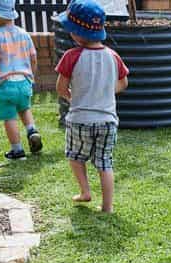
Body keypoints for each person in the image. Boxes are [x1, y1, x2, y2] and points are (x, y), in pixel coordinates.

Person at [54, 0, 129, 213]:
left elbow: (61, 87)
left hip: (80, 120)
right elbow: (123, 83)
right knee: (105, 163)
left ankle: (85, 191)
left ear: (76, 33)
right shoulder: (113, 56)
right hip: (107, 121)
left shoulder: (72, 56)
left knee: (75, 156)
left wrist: (72, 98)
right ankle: (107, 207)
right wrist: (104, 91)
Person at [0, 0, 42, 160]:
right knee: (24, 108)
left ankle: (17, 150)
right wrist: (31, 78)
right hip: (24, 82)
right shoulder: (23, 33)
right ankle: (32, 131)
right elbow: (33, 58)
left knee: (9, 116)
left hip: (5, 85)